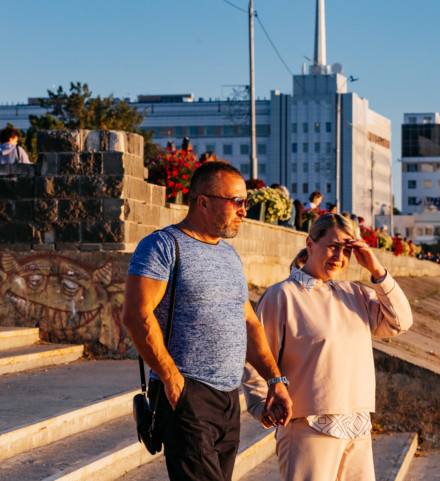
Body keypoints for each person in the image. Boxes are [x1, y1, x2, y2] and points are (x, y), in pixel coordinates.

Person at [123, 161, 293, 481]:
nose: (244, 211)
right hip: (188, 395)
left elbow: (249, 323)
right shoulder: (162, 246)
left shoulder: (229, 255)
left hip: (229, 399)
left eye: (247, 202)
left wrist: (275, 380)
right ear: (203, 202)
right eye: (237, 202)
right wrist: (173, 381)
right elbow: (136, 314)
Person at [242, 213, 413, 481]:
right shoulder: (283, 295)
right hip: (306, 423)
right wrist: (261, 404)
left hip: (357, 420)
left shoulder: (355, 294)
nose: (339, 257)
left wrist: (376, 269)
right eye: (332, 246)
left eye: (347, 250)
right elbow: (255, 355)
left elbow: (400, 322)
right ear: (310, 244)